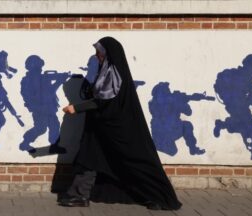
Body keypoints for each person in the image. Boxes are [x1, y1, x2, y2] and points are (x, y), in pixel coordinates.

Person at [60, 37, 182, 210]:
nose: (97, 56)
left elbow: (104, 101)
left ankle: (160, 196)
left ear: (109, 53)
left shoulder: (113, 73)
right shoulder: (106, 72)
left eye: (99, 53)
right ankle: (79, 195)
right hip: (101, 127)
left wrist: (77, 108)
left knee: (136, 162)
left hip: (120, 130)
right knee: (89, 158)